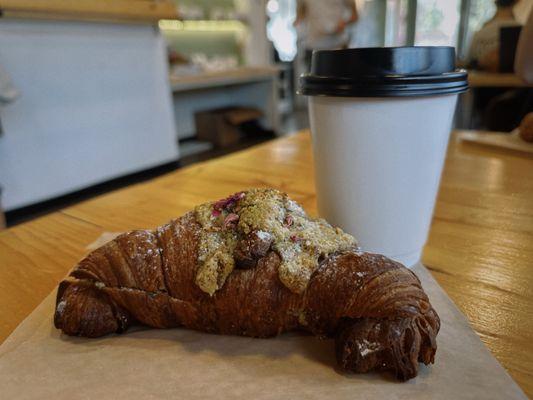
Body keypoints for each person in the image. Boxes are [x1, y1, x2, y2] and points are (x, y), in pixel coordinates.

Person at [294, 0, 358, 70]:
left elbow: (355, 16)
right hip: (313, 49)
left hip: (338, 47)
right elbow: (301, 14)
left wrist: (344, 22)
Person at [468, 0, 520, 72]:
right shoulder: (522, 34)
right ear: (518, 1)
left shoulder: (480, 32)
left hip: (480, 81)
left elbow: (470, 62)